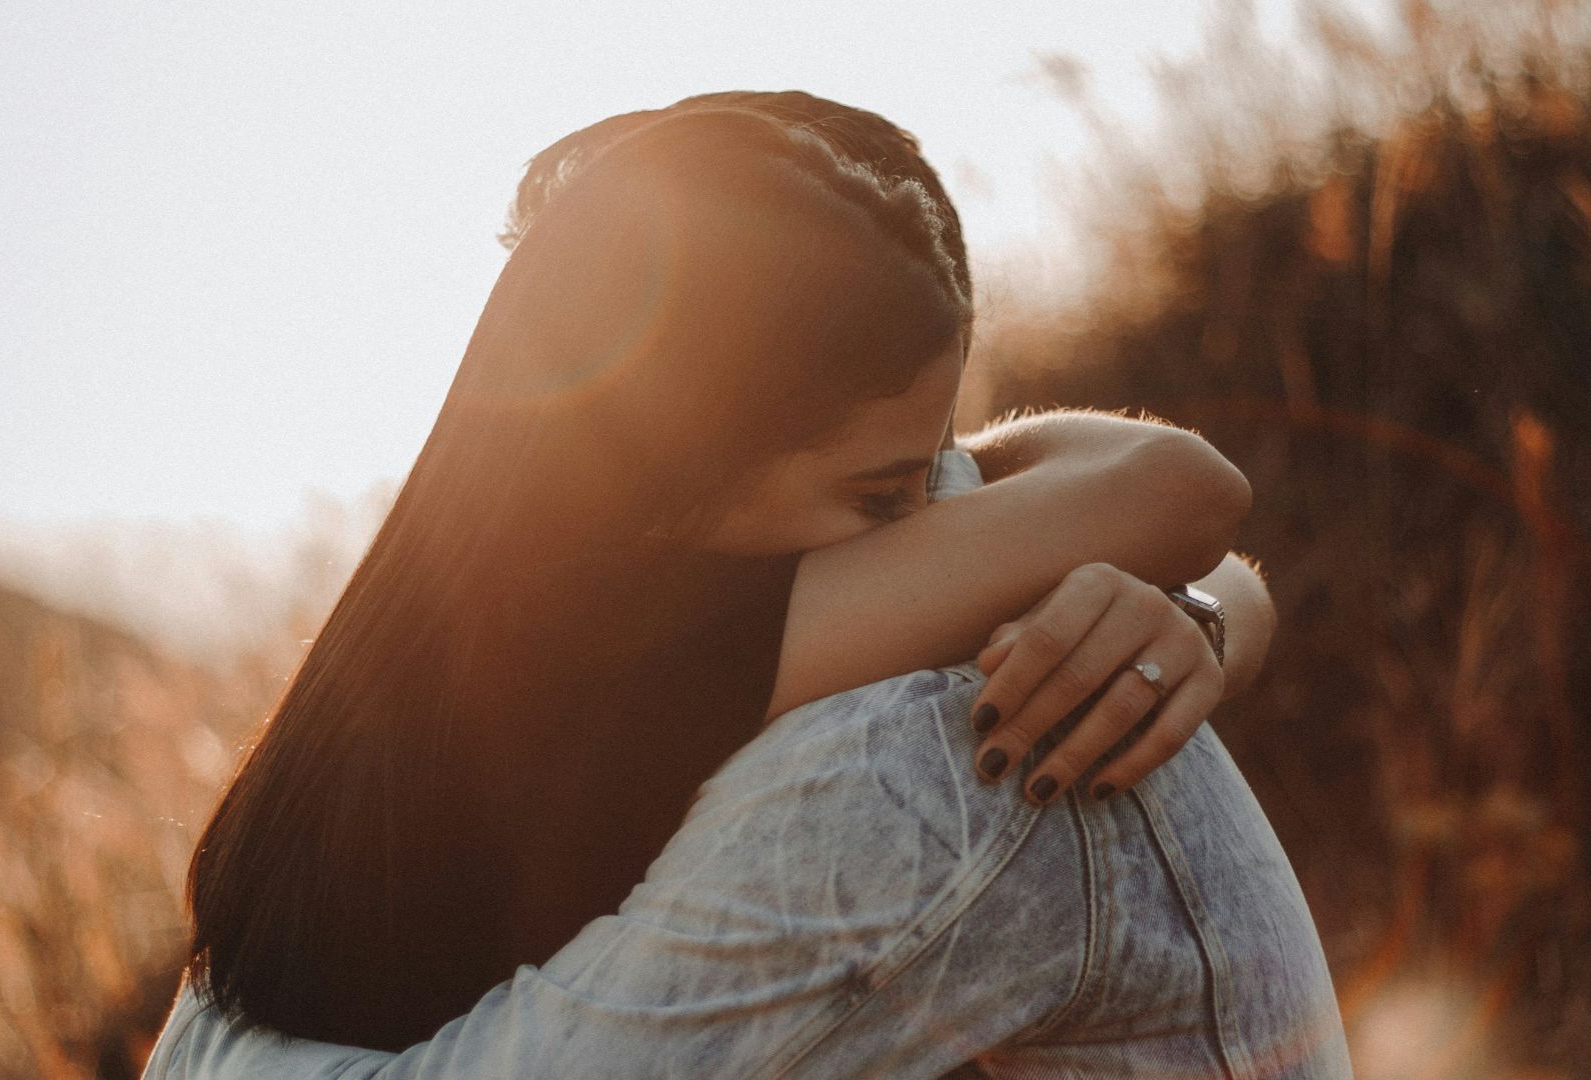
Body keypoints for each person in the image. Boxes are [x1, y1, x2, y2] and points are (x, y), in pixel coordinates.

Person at [144, 92, 1350, 1076]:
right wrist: (1200, 599)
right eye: (884, 499)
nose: (933, 524)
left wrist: (1198, 615)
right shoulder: (675, 643)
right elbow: (1186, 491)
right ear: (679, 474)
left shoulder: (462, 618)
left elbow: (1122, 519)